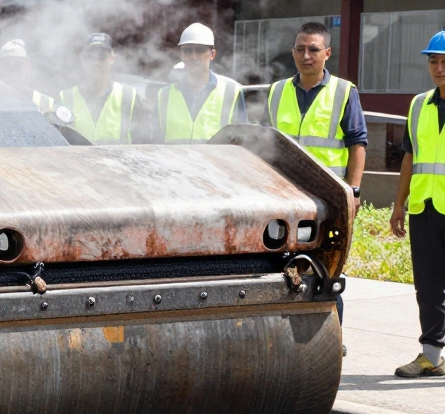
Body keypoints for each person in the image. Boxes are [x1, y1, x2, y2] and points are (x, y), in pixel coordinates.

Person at [389, 30, 445, 378]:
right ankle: (431, 355)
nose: (439, 68)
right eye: (434, 61)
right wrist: (399, 205)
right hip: (424, 207)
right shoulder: (418, 105)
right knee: (428, 285)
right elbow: (410, 157)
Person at [263, 21, 367, 198]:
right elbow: (264, 141)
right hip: (282, 190)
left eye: (313, 50)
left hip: (329, 192)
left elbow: (357, 144)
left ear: (327, 53)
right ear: (293, 52)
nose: (306, 56)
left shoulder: (344, 91)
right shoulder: (276, 91)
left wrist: (354, 191)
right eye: (300, 49)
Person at [155, 23, 247, 143]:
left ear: (212, 54)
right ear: (181, 55)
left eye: (200, 50)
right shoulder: (164, 95)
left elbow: (242, 142)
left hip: (216, 157)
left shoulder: (231, 92)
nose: (194, 56)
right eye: (188, 51)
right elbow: (156, 142)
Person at [57, 33, 139, 144]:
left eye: (102, 56)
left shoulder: (129, 98)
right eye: (90, 57)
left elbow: (143, 142)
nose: (96, 62)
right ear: (82, 59)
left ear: (112, 59)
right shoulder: (64, 98)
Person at [0, 38, 55, 113]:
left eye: (17, 65)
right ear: (0, 68)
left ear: (27, 65)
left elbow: (52, 109)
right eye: (7, 65)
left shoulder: (39, 95)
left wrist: (22, 90)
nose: (12, 69)